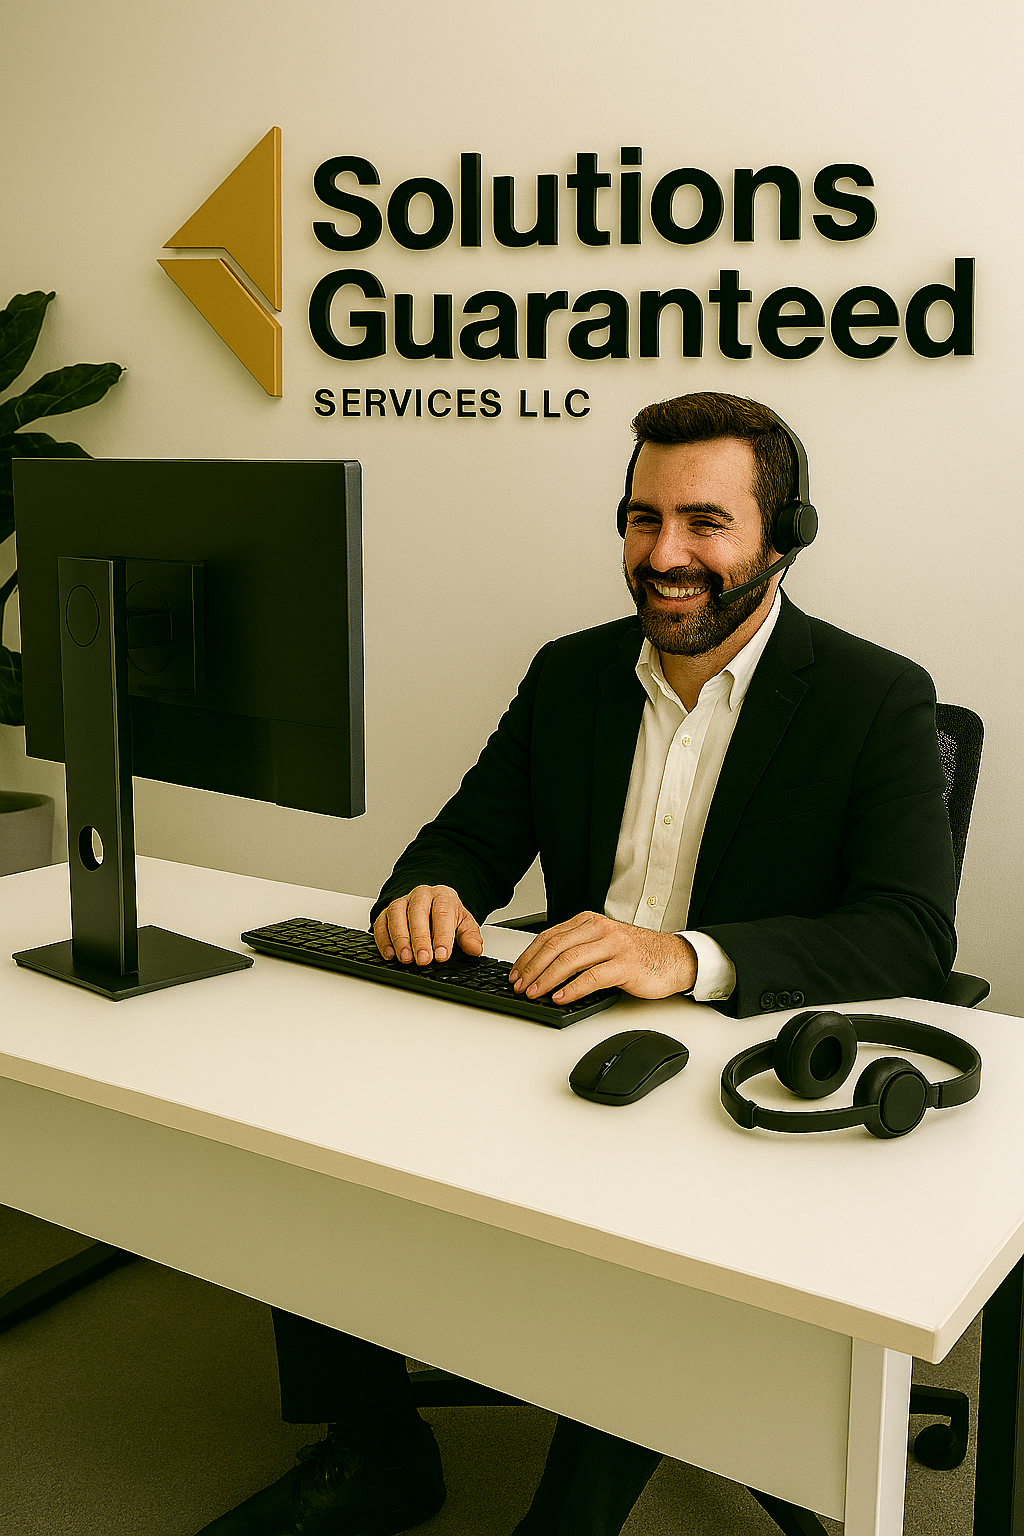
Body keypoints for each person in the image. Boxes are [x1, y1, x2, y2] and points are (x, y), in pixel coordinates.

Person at [196, 392, 956, 1536]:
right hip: (560, 1036)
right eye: (641, 519)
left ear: (783, 535)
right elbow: (460, 843)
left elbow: (909, 931)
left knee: (655, 1250)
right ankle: (380, 1443)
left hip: (733, 1073)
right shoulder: (572, 673)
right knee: (314, 1138)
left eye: (705, 523)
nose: (664, 556)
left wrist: (684, 956)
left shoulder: (873, 694)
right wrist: (431, 893)